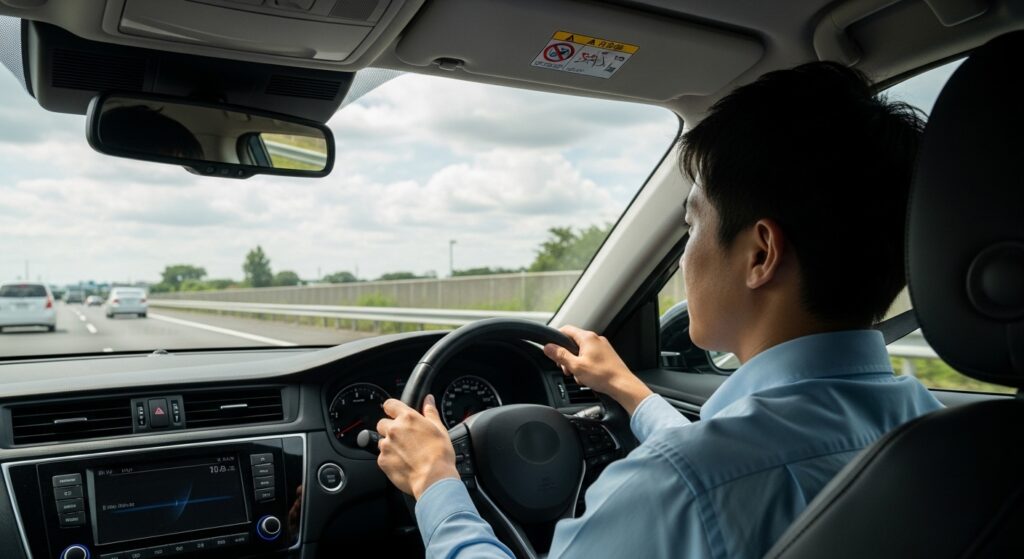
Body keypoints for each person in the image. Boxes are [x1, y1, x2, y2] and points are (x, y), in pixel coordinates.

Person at [374, 61, 944, 558]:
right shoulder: (937, 427)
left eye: (692, 224)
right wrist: (631, 393)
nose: (685, 254)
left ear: (760, 253)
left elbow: (711, 470)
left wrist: (438, 485)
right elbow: (745, 453)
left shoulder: (674, 486)